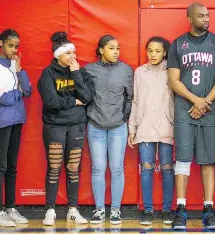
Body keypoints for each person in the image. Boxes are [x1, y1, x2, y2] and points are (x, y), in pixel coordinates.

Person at [167, 3, 215, 230]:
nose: (206, 19)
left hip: (209, 108)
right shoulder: (177, 45)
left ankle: (208, 210)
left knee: (207, 160)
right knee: (182, 159)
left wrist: (204, 102)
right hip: (185, 107)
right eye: (201, 16)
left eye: (208, 15)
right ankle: (181, 210)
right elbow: (173, 81)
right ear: (190, 19)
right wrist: (196, 101)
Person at [37, 31, 94, 226]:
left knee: (73, 168)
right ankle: (50, 211)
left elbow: (87, 97)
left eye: (74, 52)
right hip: (55, 126)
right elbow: (51, 101)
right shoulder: (48, 73)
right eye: (68, 53)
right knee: (54, 168)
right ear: (58, 55)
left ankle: (72, 210)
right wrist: (73, 101)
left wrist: (76, 74)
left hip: (77, 126)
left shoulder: (81, 71)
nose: (73, 57)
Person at [0, 29, 32, 227]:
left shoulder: (14, 64)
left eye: (16, 46)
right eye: (10, 45)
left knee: (12, 167)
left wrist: (20, 71)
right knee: (0, 167)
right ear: (1, 43)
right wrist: (17, 91)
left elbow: (27, 90)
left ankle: (10, 208)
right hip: (1, 122)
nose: (14, 49)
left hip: (16, 120)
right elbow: (2, 98)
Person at [85, 35, 133, 225]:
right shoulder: (89, 70)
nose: (116, 52)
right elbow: (84, 94)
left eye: (118, 48)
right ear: (101, 50)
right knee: (98, 168)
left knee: (117, 168)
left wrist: (123, 117)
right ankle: (99, 210)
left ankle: (115, 210)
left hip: (118, 128)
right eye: (112, 48)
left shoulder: (126, 70)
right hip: (95, 126)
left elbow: (130, 97)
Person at [128, 36, 174, 225]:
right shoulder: (139, 72)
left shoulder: (172, 72)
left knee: (167, 169)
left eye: (157, 51)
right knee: (146, 169)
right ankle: (147, 210)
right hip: (144, 125)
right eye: (150, 51)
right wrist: (132, 128)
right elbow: (135, 100)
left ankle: (166, 210)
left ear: (164, 52)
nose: (153, 54)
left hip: (166, 125)